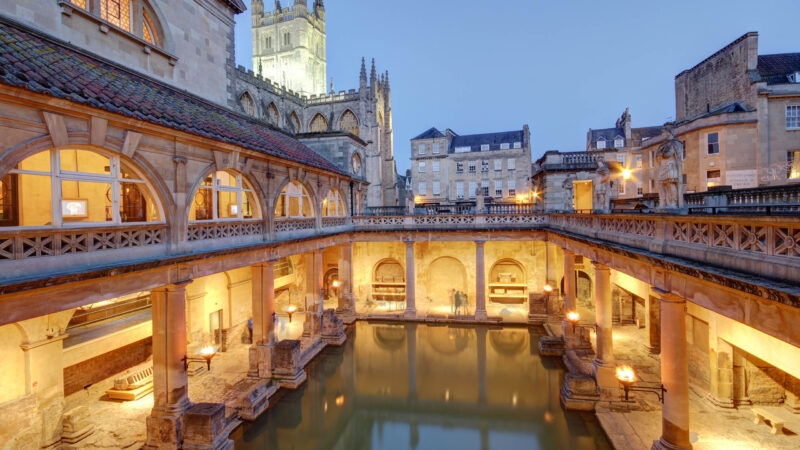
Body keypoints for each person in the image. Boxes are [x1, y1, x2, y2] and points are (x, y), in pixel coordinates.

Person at [656, 124, 683, 209]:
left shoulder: (675, 142)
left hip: (671, 164)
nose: (662, 135)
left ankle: (673, 203)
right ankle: (663, 202)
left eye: (663, 133)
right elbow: (658, 155)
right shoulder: (663, 145)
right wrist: (660, 155)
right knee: (661, 184)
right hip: (663, 165)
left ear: (668, 132)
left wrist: (662, 154)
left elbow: (671, 154)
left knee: (670, 183)